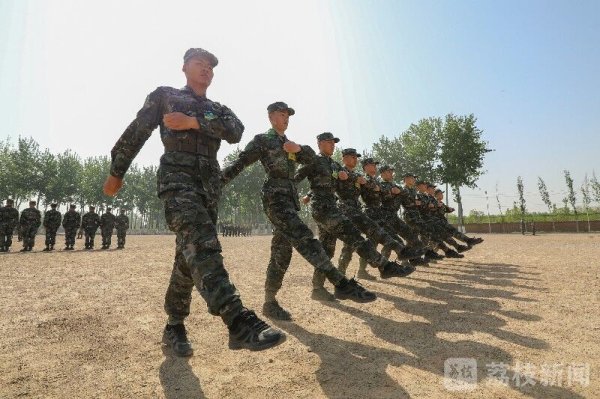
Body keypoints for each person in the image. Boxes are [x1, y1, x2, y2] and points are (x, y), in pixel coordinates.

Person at [103, 48, 283, 354]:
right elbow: (137, 131)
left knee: (188, 256)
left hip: (209, 188)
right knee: (201, 243)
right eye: (199, 63)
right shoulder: (165, 95)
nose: (206, 69)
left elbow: (237, 131)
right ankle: (237, 320)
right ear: (184, 68)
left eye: (211, 66)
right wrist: (117, 171)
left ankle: (174, 324)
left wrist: (194, 122)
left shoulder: (217, 108)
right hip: (177, 180)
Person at [221, 103, 377, 322]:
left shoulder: (289, 144)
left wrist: (298, 149)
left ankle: (269, 302)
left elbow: (313, 160)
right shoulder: (263, 140)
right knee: (305, 237)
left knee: (281, 253)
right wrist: (216, 183)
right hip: (275, 198)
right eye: (282, 115)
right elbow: (239, 163)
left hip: (289, 199)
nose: (286, 119)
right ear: (271, 116)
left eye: (288, 116)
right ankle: (340, 283)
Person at [297, 135, 416, 295]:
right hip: (326, 209)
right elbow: (299, 177)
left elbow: (342, 177)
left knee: (327, 251)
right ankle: (385, 264)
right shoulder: (315, 160)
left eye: (334, 143)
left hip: (332, 208)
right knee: (355, 236)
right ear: (320, 144)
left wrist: (355, 178)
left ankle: (318, 288)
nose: (333, 145)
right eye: (329, 142)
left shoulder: (333, 164)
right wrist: (298, 194)